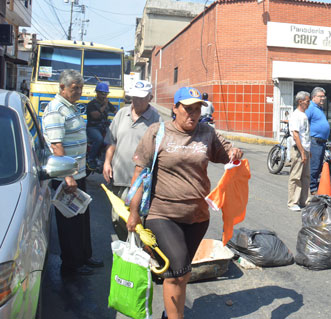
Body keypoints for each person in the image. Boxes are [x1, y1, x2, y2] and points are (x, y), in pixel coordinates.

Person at [127, 87, 243, 319]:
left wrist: (234, 153)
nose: (192, 114)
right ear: (175, 108)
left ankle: (171, 313)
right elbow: (139, 173)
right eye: (187, 109)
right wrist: (133, 212)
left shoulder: (206, 133)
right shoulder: (157, 132)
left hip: (197, 217)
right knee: (178, 268)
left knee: (181, 272)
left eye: (197, 109)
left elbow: (227, 152)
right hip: (163, 213)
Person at [42, 69, 103, 276]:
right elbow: (56, 145)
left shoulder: (72, 107)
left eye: (80, 88)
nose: (78, 92)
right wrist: (67, 176)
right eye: (74, 88)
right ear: (62, 88)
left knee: (82, 218)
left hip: (78, 174)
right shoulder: (56, 109)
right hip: (65, 178)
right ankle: (72, 265)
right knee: (70, 223)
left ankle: (84, 256)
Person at [103, 80, 161, 241]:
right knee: (117, 218)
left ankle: (138, 257)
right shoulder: (122, 113)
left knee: (136, 223)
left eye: (142, 98)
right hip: (119, 177)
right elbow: (112, 141)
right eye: (135, 97)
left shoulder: (157, 119)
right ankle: (125, 251)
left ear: (150, 97)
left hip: (141, 182)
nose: (137, 101)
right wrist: (107, 162)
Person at [287, 91, 311, 211]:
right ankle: (293, 202)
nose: (309, 103)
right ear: (300, 101)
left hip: (305, 148)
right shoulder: (296, 115)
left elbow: (305, 134)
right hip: (298, 149)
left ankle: (304, 200)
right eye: (307, 101)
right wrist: (302, 152)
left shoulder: (304, 115)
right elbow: (296, 135)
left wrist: (307, 150)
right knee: (296, 176)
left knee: (305, 176)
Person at [86, 82, 116, 170]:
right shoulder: (91, 104)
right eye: (103, 93)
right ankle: (90, 159)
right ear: (97, 93)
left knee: (114, 139)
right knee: (99, 139)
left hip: (104, 126)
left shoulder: (107, 103)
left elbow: (115, 112)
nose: (104, 96)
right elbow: (96, 115)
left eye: (106, 93)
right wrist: (105, 105)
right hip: (93, 127)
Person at [305, 87, 330, 194]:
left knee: (318, 165)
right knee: (314, 165)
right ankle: (312, 188)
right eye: (320, 96)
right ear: (314, 97)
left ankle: (314, 185)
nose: (323, 98)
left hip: (321, 141)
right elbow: (304, 123)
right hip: (314, 141)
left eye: (324, 96)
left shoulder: (319, 108)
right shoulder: (310, 107)